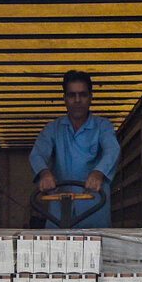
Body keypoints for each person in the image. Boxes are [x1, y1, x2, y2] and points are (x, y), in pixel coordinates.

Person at [28, 70, 120, 228]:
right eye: (72, 95)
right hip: (58, 214)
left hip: (94, 212)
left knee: (95, 250)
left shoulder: (103, 126)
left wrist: (98, 173)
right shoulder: (52, 129)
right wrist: (45, 173)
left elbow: (112, 150)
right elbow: (37, 154)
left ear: (90, 97)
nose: (77, 100)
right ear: (64, 98)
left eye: (83, 95)